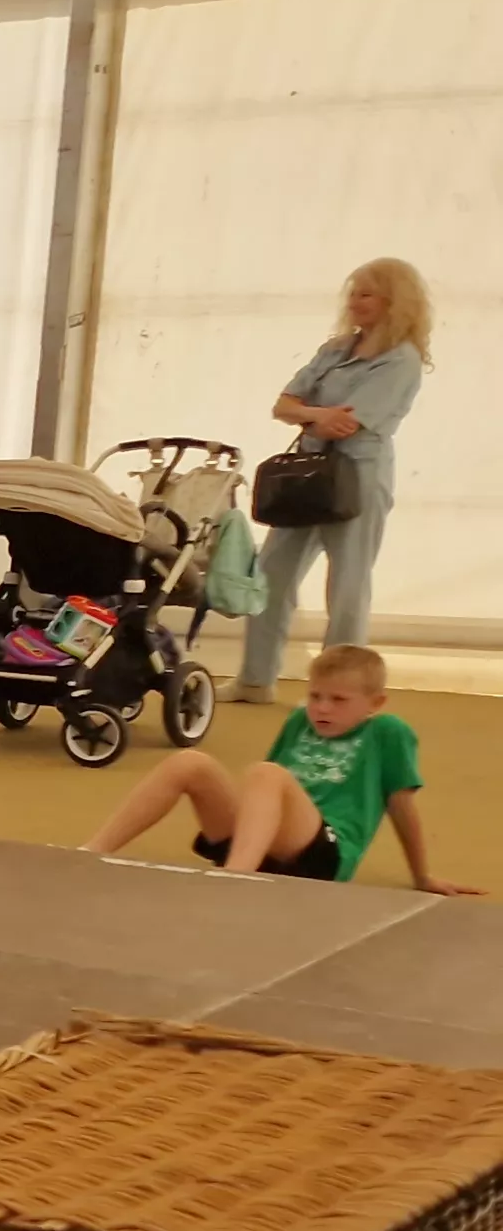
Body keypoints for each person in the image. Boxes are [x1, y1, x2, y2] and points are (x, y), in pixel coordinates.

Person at [81, 644, 473, 893]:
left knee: (266, 773)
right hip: (267, 844)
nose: (321, 707)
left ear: (375, 703)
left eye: (338, 699)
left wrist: (422, 875)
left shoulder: (388, 732)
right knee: (191, 762)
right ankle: (90, 852)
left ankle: (236, 881)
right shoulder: (300, 721)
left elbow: (402, 806)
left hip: (325, 853)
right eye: (315, 696)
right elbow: (263, 794)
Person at [238, 259, 432, 703]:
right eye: (353, 292)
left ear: (392, 302)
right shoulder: (336, 349)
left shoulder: (401, 360)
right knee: (271, 575)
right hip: (304, 477)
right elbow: (283, 406)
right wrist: (317, 415)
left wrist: (310, 415)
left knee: (347, 587)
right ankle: (255, 680)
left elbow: (349, 427)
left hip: (358, 478)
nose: (354, 301)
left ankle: (339, 692)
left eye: (366, 293)